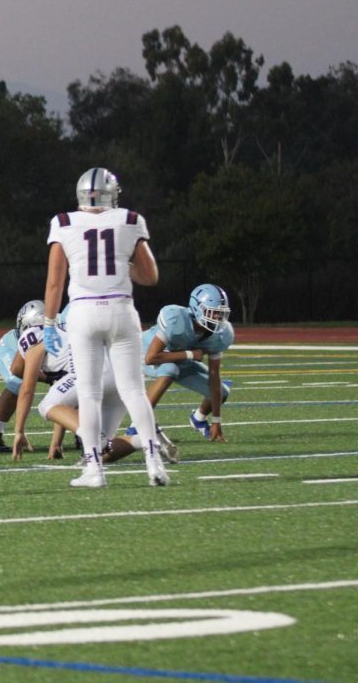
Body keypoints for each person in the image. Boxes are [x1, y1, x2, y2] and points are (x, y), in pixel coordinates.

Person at [43, 167, 167, 488]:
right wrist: (119, 265)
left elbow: (55, 281)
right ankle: (154, 463)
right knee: (134, 391)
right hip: (121, 310)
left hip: (83, 313)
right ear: (114, 195)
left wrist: (49, 322)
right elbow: (151, 276)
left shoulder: (64, 222)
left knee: (89, 394)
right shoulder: (129, 219)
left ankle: (95, 470)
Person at [106, 283, 234, 462]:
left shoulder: (221, 335)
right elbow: (151, 357)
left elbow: (214, 376)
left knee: (222, 392)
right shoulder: (177, 320)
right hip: (144, 352)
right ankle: (137, 425)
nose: (218, 317)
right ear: (197, 308)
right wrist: (190, 354)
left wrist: (217, 420)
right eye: (213, 312)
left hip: (181, 359)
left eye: (221, 313)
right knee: (170, 368)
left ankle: (198, 419)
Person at [0, 300, 53, 453]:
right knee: (17, 383)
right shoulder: (17, 341)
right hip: (9, 350)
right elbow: (22, 371)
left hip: (35, 354)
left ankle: (79, 432)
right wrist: (49, 378)